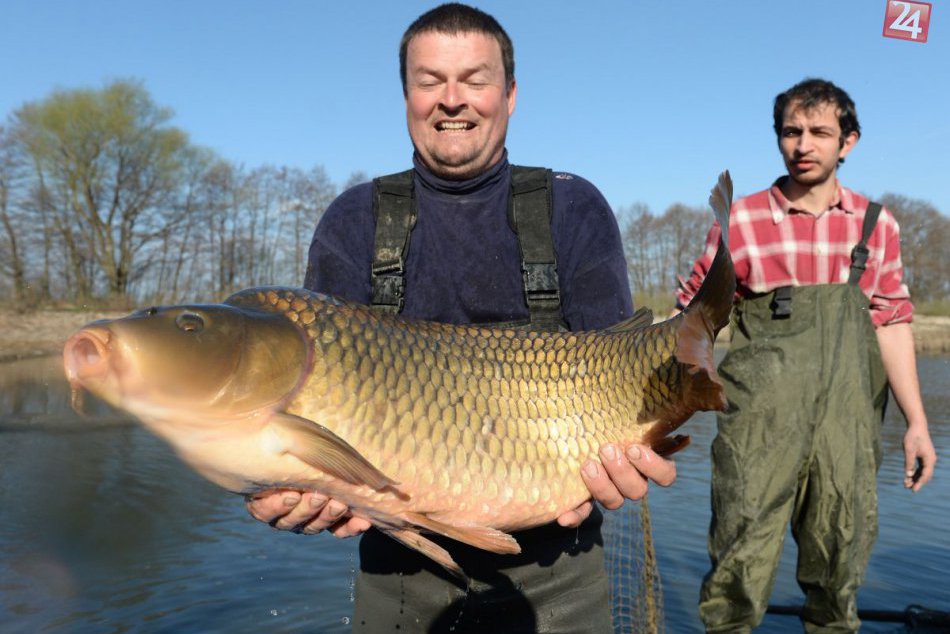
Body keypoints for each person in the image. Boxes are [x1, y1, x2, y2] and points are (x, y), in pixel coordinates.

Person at [246, 3, 677, 631]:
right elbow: (311, 425)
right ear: (406, 95)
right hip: (398, 571)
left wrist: (642, 450)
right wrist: (289, 491)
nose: (453, 100)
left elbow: (622, 384)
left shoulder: (573, 207)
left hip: (563, 567)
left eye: (475, 79)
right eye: (430, 81)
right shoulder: (352, 220)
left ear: (509, 94)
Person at [674, 78, 937, 633]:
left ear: (849, 141)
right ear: (778, 138)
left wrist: (916, 423)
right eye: (792, 131)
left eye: (820, 132)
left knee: (840, 566)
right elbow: (691, 324)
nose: (804, 145)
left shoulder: (876, 225)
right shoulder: (739, 222)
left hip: (849, 427)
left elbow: (892, 323)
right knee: (736, 572)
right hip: (757, 429)